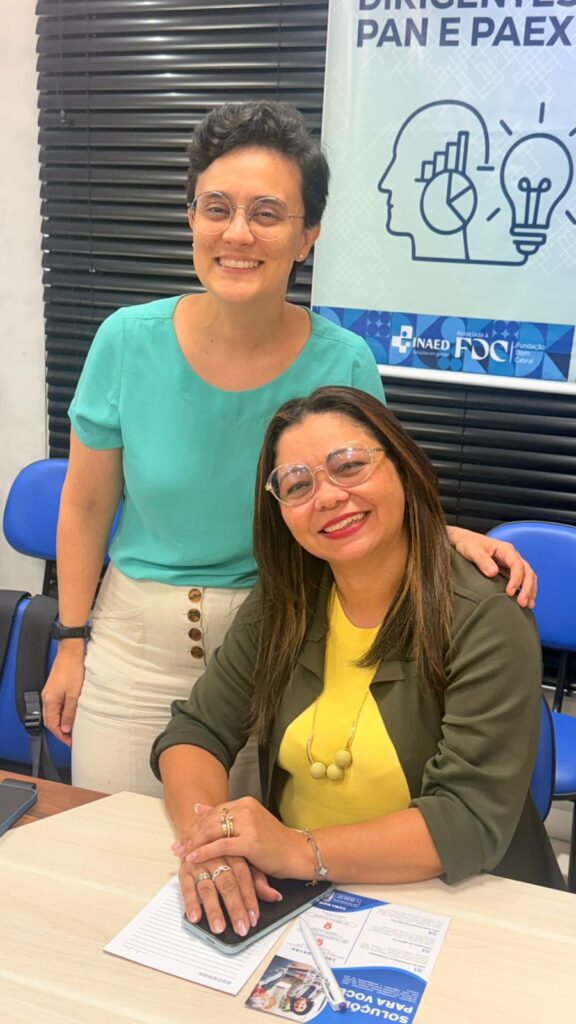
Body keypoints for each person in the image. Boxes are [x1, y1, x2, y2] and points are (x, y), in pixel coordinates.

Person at [42, 100, 536, 799]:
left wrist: (446, 533)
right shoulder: (125, 341)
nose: (237, 232)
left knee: (264, 853)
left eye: (267, 214)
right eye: (217, 208)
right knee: (120, 848)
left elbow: (366, 493)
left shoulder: (345, 359)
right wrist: (70, 640)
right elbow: (87, 505)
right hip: (133, 649)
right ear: (191, 218)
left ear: (307, 237)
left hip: (286, 645)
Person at [152, 386, 563, 942]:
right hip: (303, 899)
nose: (326, 496)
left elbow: (466, 819)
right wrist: (211, 842)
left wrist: (297, 849)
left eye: (348, 465)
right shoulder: (286, 600)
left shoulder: (485, 614)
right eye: (298, 484)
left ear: (404, 468)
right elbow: (197, 730)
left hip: (460, 903)